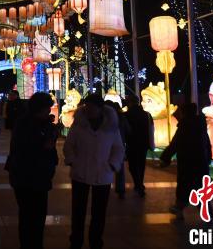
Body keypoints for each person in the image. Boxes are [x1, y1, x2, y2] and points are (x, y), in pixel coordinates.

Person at [64, 94, 124, 249]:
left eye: (92, 107)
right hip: (80, 172)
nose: (89, 110)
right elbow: (69, 145)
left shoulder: (111, 126)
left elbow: (118, 147)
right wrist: (72, 160)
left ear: (100, 108)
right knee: (78, 210)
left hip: (103, 173)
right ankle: (76, 240)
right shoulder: (79, 125)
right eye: (87, 107)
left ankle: (96, 241)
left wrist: (113, 165)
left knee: (99, 211)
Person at [7, 92, 59, 249]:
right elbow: (26, 150)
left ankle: (34, 243)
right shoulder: (26, 125)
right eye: (47, 108)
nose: (49, 111)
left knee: (35, 216)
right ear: (39, 108)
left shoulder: (39, 123)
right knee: (29, 215)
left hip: (38, 176)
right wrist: (46, 144)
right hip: (27, 176)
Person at [159, 103, 213, 223]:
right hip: (201, 162)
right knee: (200, 188)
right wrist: (208, 158)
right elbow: (207, 144)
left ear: (184, 113)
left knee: (185, 188)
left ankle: (180, 209)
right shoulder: (200, 125)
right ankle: (208, 216)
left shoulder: (185, 126)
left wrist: (165, 158)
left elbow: (175, 144)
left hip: (187, 162)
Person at [124, 94, 154, 197]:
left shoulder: (126, 115)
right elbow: (151, 129)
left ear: (130, 103)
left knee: (132, 165)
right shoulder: (147, 115)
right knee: (141, 164)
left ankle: (138, 184)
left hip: (131, 143)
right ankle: (140, 183)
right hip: (144, 143)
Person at [104, 99, 129, 199]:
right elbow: (128, 130)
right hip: (120, 144)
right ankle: (120, 189)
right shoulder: (121, 117)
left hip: (105, 145)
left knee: (105, 167)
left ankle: (104, 186)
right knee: (119, 168)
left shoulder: (102, 118)